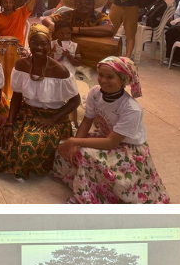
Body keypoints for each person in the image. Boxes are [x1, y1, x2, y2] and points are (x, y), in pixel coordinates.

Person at [54, 57, 169, 204]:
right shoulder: (95, 93)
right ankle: (85, 184)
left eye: (110, 77)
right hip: (105, 137)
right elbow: (87, 121)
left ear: (123, 80)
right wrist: (74, 143)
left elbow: (111, 143)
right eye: (101, 75)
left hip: (126, 148)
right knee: (64, 147)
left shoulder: (131, 109)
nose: (103, 80)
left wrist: (75, 141)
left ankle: (88, 197)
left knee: (84, 154)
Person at [0, 24, 80, 183]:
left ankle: (24, 169)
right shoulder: (21, 65)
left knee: (29, 144)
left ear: (50, 45)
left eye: (43, 44)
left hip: (52, 117)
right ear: (28, 44)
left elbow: (75, 101)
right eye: (34, 43)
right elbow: (17, 96)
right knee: (7, 137)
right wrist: (10, 123)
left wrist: (52, 120)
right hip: (28, 112)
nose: (39, 47)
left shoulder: (60, 71)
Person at [42, 0, 113, 38]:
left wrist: (78, 30)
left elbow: (109, 28)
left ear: (93, 4)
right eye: (79, 3)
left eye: (87, 3)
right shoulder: (69, 14)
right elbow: (47, 19)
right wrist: (51, 24)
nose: (83, 5)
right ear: (75, 5)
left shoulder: (100, 16)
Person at [51, 23, 82, 126]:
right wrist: (51, 52)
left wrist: (69, 56)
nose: (65, 36)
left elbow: (78, 63)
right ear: (56, 33)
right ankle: (57, 118)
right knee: (56, 97)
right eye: (61, 33)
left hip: (69, 76)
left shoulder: (74, 46)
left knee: (72, 97)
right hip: (55, 76)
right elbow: (47, 60)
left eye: (68, 33)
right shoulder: (52, 44)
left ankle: (74, 122)